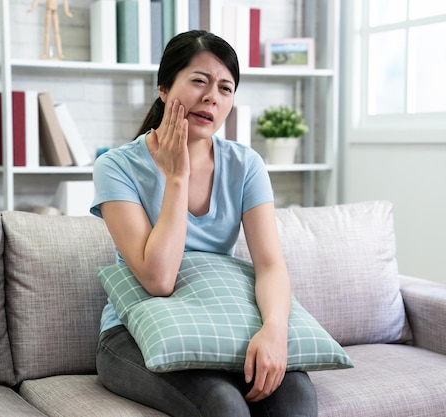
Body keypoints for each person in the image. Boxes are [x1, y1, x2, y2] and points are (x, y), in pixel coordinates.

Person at [90, 30, 318, 417]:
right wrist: (177, 177)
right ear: (163, 88)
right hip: (134, 332)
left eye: (226, 88)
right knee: (223, 404)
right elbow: (158, 280)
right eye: (199, 81)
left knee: (295, 397)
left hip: (219, 323)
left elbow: (270, 265)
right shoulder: (116, 167)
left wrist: (274, 331)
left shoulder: (245, 165)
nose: (213, 96)